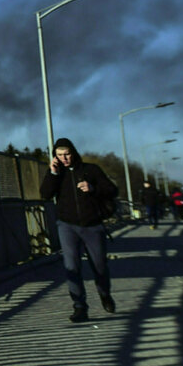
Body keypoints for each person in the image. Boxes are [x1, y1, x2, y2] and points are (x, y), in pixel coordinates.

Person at [39, 138, 119, 323]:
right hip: (67, 225)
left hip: (93, 225)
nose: (64, 158)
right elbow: (45, 194)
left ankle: (105, 294)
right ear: (55, 156)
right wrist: (52, 173)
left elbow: (112, 190)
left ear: (73, 152)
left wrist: (93, 188)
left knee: (99, 266)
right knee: (72, 267)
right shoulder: (57, 173)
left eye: (66, 154)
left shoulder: (91, 170)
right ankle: (79, 306)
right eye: (59, 155)